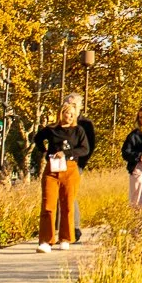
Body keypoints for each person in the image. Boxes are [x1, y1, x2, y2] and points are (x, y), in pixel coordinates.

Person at [31, 93, 91, 252]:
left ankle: (66, 238)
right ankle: (46, 240)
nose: (70, 117)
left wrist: (68, 153)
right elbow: (37, 138)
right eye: (67, 113)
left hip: (70, 168)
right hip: (52, 168)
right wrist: (44, 150)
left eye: (72, 114)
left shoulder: (78, 131)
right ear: (61, 113)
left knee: (68, 204)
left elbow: (85, 149)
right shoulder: (52, 129)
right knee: (48, 204)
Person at [72, 112, 97, 242]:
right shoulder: (58, 124)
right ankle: (58, 227)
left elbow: (89, 147)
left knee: (70, 195)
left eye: (74, 105)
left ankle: (74, 228)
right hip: (57, 165)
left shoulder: (85, 125)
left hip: (75, 164)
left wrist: (81, 163)